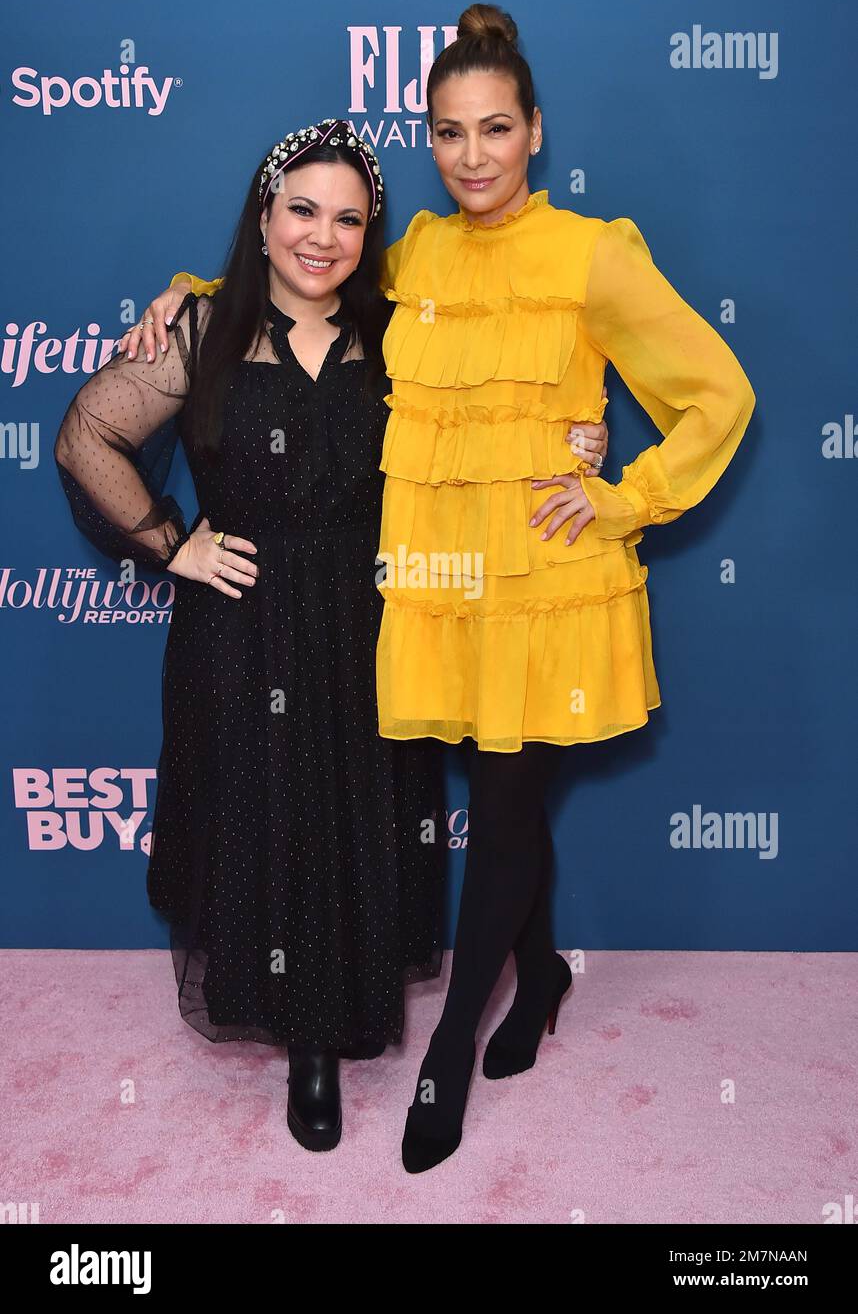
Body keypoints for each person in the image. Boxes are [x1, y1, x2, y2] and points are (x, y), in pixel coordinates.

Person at [58, 112, 613, 1160]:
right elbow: (87, 431)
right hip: (244, 628)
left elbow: (502, 393)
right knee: (270, 819)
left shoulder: (401, 330)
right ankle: (306, 1045)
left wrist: (582, 432)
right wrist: (169, 543)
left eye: (349, 218)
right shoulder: (203, 333)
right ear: (263, 218)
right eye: (302, 210)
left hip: (371, 620)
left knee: (354, 820)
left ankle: (376, 1004)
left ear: (372, 235)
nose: (323, 235)